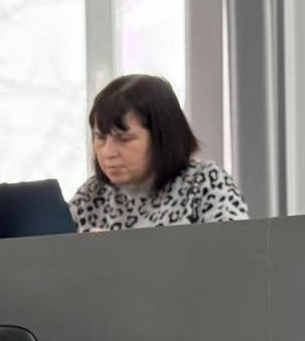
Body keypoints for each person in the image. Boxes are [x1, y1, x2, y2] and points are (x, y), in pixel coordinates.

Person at [70, 74, 248, 230]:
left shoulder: (204, 183)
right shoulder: (91, 195)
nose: (108, 152)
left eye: (124, 139)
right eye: (100, 137)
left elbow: (236, 255)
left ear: (162, 137)